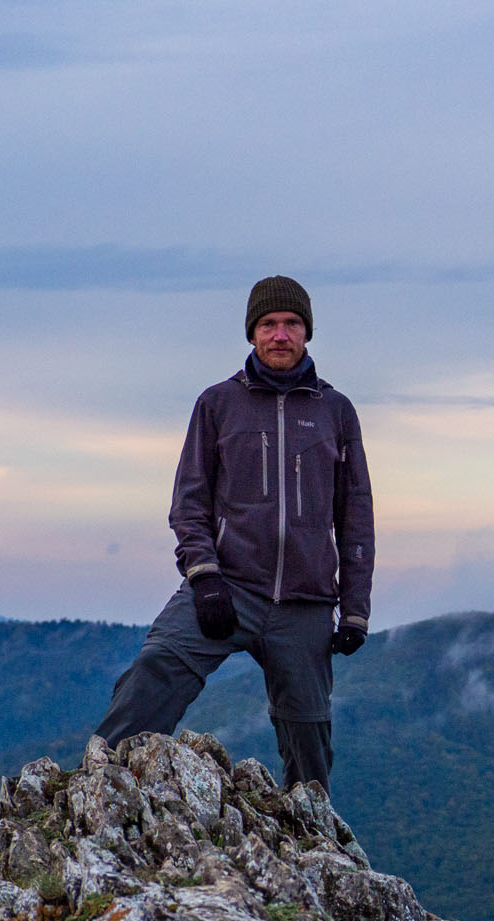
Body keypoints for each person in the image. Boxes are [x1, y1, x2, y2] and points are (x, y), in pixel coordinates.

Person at [95, 275, 374, 792]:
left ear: (307, 333)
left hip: (306, 602)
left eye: (292, 324)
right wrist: (204, 576)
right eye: (268, 324)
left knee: (309, 735)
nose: (280, 334)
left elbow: (355, 516)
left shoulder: (336, 412)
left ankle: (309, 842)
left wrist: (355, 609)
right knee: (156, 666)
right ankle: (97, 788)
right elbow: (189, 502)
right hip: (229, 586)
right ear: (252, 333)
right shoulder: (218, 404)